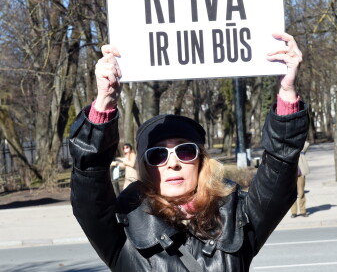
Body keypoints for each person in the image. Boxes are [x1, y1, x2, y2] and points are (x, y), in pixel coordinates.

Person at [69, 33, 308, 272]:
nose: (172, 163)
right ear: (146, 168)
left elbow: (280, 162)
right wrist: (104, 102)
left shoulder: (237, 215)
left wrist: (287, 90)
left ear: (201, 161)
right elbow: (88, 177)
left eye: (184, 151)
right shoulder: (122, 228)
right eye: (158, 155)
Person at [290, 140, 310, 218]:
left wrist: (299, 137)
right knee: (292, 194)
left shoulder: (301, 148)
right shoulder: (287, 149)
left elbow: (307, 144)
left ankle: (303, 211)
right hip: (290, 175)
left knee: (301, 192)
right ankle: (294, 212)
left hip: (300, 174)